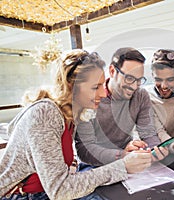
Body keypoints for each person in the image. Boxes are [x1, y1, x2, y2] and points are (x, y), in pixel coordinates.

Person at [0, 49, 152, 199]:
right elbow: (59, 190)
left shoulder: (72, 115)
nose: (103, 94)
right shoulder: (45, 113)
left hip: (45, 192)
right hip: (21, 195)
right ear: (72, 85)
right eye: (95, 87)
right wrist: (123, 166)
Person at [75, 47, 166, 167]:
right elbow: (85, 149)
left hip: (128, 159)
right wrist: (122, 155)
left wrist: (155, 150)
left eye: (139, 80)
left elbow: (148, 133)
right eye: (129, 78)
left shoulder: (140, 95)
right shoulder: (91, 98)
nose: (134, 86)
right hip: (93, 165)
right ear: (112, 71)